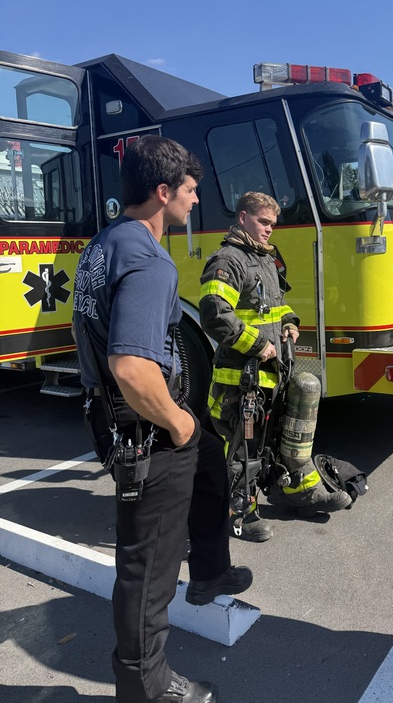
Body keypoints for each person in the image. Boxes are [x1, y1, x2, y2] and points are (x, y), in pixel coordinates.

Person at [72, 135, 252, 703]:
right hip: (146, 429)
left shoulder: (104, 244)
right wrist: (177, 422)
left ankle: (209, 573)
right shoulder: (148, 259)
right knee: (147, 567)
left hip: (117, 420)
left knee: (210, 469)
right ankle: (145, 686)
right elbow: (130, 366)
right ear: (162, 192)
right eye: (192, 190)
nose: (197, 201)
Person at [199, 191, 351, 542]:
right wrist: (258, 344)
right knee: (242, 449)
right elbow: (214, 315)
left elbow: (275, 305)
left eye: (272, 224)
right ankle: (237, 514)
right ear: (242, 218)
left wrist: (290, 322)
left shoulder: (265, 259)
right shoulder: (228, 259)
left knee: (270, 444)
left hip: (270, 374)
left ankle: (289, 492)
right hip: (239, 378)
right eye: (263, 222)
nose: (269, 230)